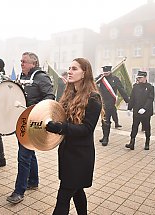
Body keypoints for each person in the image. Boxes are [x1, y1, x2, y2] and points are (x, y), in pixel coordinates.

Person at [45, 58, 102, 215]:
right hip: (66, 152)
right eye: (69, 68)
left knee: (63, 197)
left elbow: (87, 129)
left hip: (80, 156)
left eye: (74, 69)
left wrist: (60, 128)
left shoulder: (93, 98)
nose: (69, 71)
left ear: (85, 73)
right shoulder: (69, 95)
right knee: (77, 191)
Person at [6, 52, 55, 204]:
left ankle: (19, 191)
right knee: (29, 151)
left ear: (33, 63)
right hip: (21, 120)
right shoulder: (22, 76)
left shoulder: (41, 77)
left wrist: (35, 111)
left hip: (32, 121)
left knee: (24, 155)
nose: (21, 63)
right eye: (21, 61)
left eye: (24, 61)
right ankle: (33, 181)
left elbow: (50, 97)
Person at [95, 65, 129, 146]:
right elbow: (93, 82)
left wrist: (127, 100)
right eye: (104, 72)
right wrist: (98, 79)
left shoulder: (115, 79)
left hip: (110, 102)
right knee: (103, 120)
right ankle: (104, 136)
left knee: (106, 120)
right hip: (102, 102)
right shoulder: (101, 78)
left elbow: (121, 89)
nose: (105, 73)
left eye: (107, 72)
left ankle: (106, 138)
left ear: (110, 71)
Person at [125, 70, 154, 150]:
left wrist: (144, 108)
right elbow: (132, 98)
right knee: (134, 126)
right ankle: (132, 142)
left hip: (146, 112)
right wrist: (129, 108)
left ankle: (147, 142)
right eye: (138, 78)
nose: (139, 79)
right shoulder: (136, 86)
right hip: (137, 111)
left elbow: (150, 99)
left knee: (147, 127)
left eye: (140, 78)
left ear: (145, 77)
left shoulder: (150, 87)